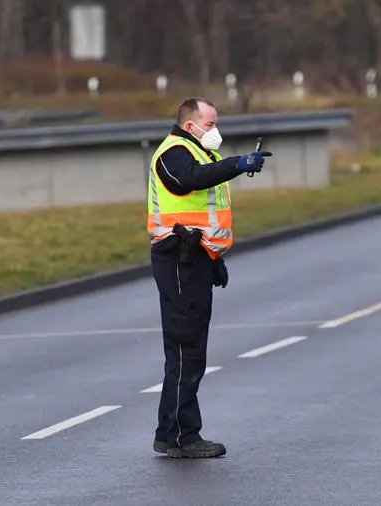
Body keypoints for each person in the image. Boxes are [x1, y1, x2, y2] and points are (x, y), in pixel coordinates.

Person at [147, 97, 271, 458]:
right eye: (210, 123)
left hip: (194, 257)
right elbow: (186, 182)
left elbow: (205, 213)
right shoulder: (174, 153)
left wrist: (212, 256)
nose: (215, 130)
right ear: (190, 125)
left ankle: (169, 432)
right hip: (178, 258)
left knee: (187, 348)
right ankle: (184, 435)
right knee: (187, 348)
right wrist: (238, 164)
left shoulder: (201, 153)